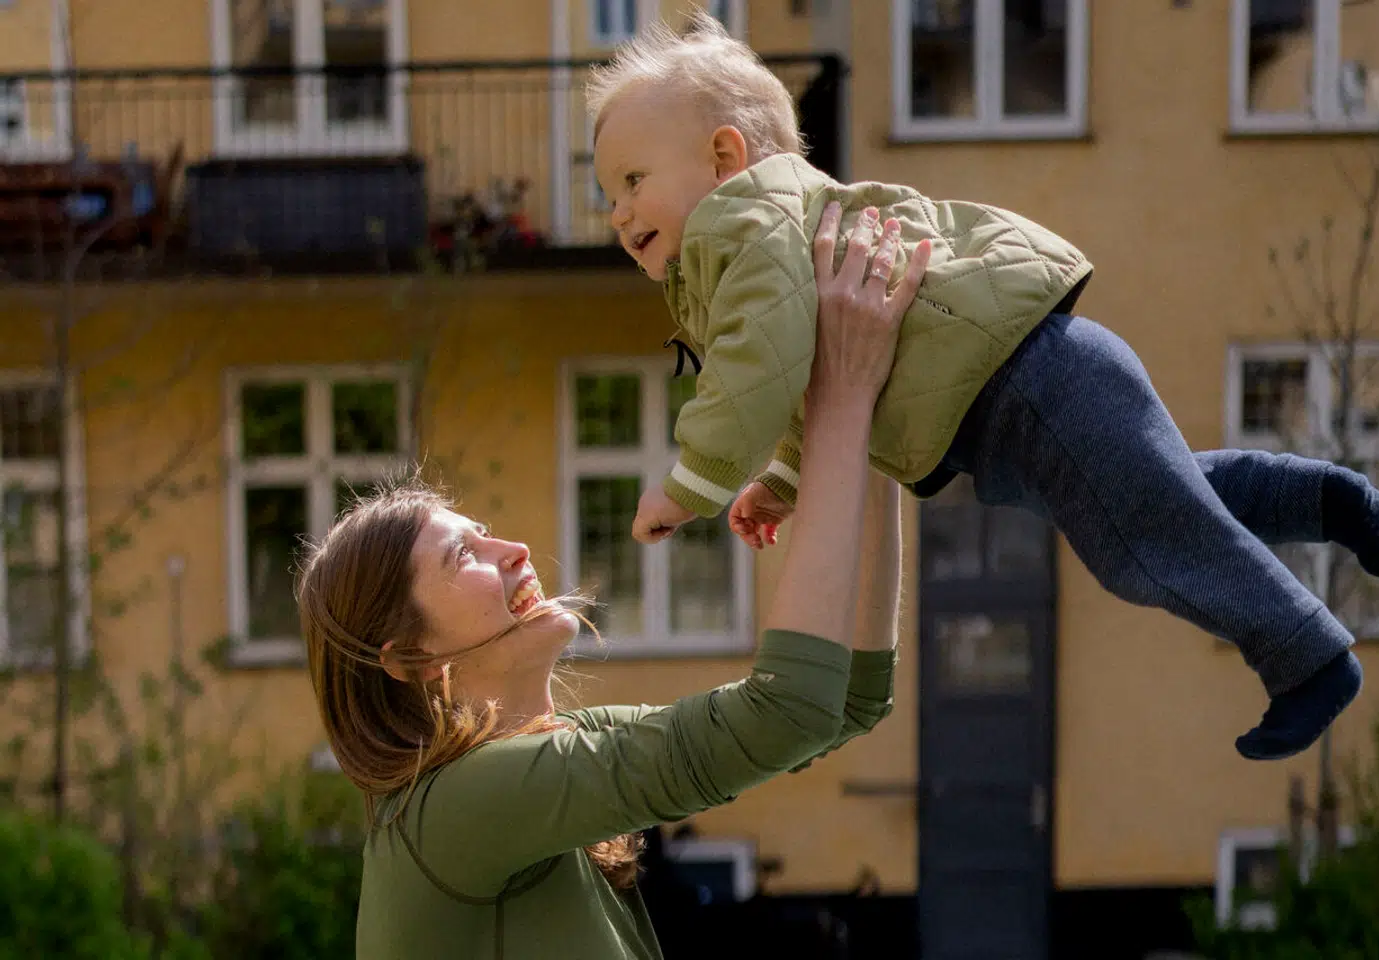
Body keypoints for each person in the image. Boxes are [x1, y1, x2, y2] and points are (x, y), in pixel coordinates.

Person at [586, 13, 1379, 763]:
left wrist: (691, 483)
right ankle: (1324, 502)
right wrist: (787, 480)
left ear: (725, 159)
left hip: (1026, 387)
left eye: (631, 181)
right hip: (1033, 388)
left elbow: (754, 366)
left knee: (1138, 550)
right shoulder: (770, 237)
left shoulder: (747, 230)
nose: (618, 214)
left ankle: (1307, 659)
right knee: (1168, 499)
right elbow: (804, 374)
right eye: (607, 195)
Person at [296, 209, 929, 959]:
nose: (514, 548)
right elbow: (787, 708)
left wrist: (873, 434)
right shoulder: (457, 806)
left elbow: (841, 702)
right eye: (462, 556)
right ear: (409, 659)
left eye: (484, 530)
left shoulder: (548, 759)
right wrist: (843, 397)